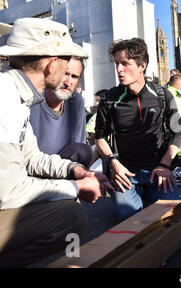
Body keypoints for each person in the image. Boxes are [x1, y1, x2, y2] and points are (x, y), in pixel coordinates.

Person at [0, 17, 113, 267]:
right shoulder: (5, 98)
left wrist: (76, 171)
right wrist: (76, 188)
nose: (67, 74)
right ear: (52, 64)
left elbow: (32, 158)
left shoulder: (18, 95)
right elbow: (7, 193)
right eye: (65, 61)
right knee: (70, 217)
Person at [95, 38, 181, 222]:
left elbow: (178, 132)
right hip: (125, 172)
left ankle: (150, 195)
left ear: (142, 65)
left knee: (171, 216)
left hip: (157, 170)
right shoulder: (110, 98)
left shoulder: (162, 95)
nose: (119, 69)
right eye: (117, 64)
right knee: (129, 218)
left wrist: (165, 165)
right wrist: (113, 163)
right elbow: (100, 137)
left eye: (125, 64)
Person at [30, 57, 93, 168]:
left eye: (74, 76)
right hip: (31, 166)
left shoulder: (76, 101)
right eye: (65, 73)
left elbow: (79, 146)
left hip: (62, 167)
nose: (68, 82)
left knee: (84, 150)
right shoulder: (31, 98)